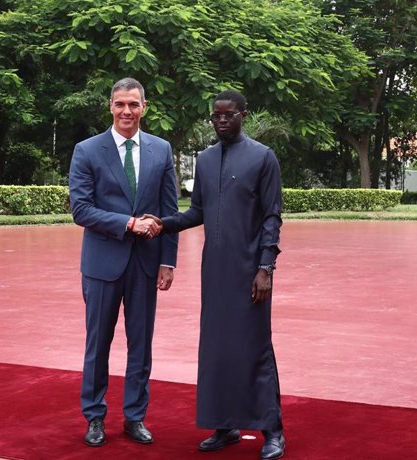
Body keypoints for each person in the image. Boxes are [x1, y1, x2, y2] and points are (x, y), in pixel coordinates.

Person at [149, 90, 285, 459]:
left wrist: (265, 268)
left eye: (229, 114)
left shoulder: (263, 157)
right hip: (215, 272)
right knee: (217, 349)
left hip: (251, 271)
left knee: (256, 348)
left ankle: (272, 430)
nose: (222, 120)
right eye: (216, 115)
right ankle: (225, 426)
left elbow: (272, 216)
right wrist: (163, 225)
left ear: (244, 114)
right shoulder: (205, 160)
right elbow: (197, 213)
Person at [68, 77, 178, 447]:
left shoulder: (161, 150)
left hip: (146, 265)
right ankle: (95, 416)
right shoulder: (87, 150)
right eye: (120, 104)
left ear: (144, 107)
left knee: (140, 345)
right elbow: (81, 210)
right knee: (97, 344)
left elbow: (168, 211)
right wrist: (129, 223)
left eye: (134, 104)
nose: (127, 111)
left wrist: (168, 262)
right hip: (102, 263)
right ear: (110, 107)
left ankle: (135, 416)